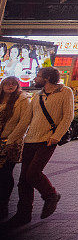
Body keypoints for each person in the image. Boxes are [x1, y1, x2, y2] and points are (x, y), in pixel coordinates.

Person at [5, 66, 72, 227]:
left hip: (47, 140)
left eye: (38, 76)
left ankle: (51, 195)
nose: (35, 78)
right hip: (30, 141)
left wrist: (56, 137)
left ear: (47, 78)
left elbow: (68, 116)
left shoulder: (65, 92)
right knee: (23, 180)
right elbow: (26, 120)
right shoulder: (37, 96)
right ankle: (23, 214)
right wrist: (11, 139)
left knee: (33, 173)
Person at [0, 77, 31, 220]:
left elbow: (24, 121)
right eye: (7, 83)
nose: (10, 86)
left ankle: (3, 205)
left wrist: (12, 139)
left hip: (10, 142)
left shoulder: (22, 100)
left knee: (5, 173)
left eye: (13, 84)